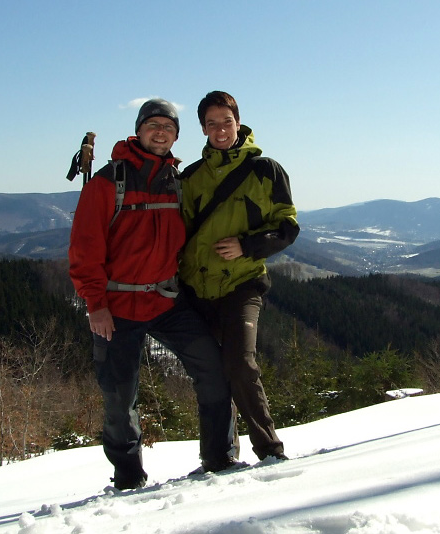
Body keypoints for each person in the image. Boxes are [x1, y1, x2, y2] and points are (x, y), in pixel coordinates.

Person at [68, 98, 236, 490]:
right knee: (118, 397)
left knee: (212, 369)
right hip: (117, 306)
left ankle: (220, 457)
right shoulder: (108, 182)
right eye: (153, 125)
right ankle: (128, 479)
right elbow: (83, 250)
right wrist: (95, 304)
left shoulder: (177, 182)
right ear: (139, 130)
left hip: (167, 300)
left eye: (169, 127)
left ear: (176, 136)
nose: (161, 132)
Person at [178, 90, 300, 462]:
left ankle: (270, 450)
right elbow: (178, 233)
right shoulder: (191, 177)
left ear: (238, 121)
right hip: (196, 289)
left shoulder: (266, 170)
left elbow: (288, 227)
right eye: (211, 124)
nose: (220, 130)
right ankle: (218, 456)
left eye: (226, 122)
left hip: (241, 285)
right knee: (211, 374)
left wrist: (248, 246)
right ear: (202, 128)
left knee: (240, 364)